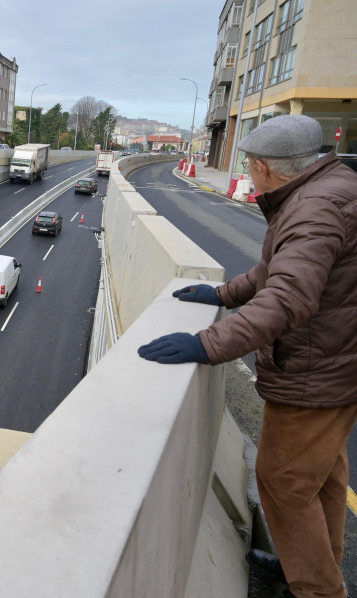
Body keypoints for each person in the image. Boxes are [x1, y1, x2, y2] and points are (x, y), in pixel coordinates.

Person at [138, 114, 357, 598]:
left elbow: (288, 297)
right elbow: (272, 272)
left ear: (262, 167)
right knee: (322, 478)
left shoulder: (315, 208)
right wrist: (223, 295)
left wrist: (208, 344)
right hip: (339, 363)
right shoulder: (333, 187)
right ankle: (320, 567)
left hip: (314, 372)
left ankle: (320, 589)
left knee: (283, 481)